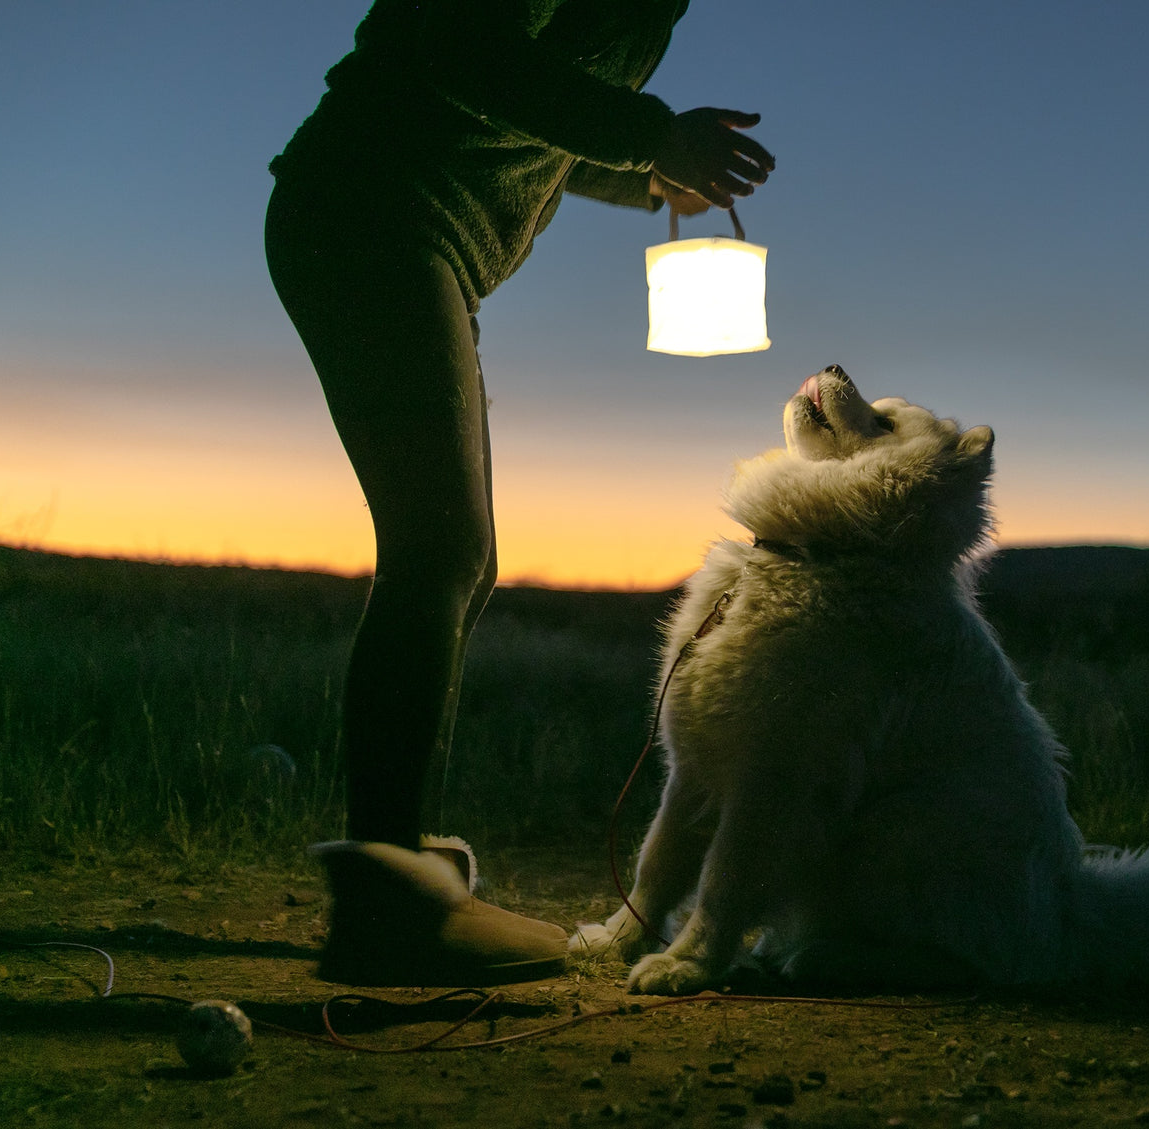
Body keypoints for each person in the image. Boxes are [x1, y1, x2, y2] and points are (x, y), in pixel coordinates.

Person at [263, 0, 773, 986]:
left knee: (457, 558)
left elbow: (534, 129)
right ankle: (386, 908)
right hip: (373, 214)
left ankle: (397, 880)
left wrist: (650, 169)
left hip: (422, 241)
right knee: (441, 551)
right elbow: (456, 45)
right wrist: (649, 131)